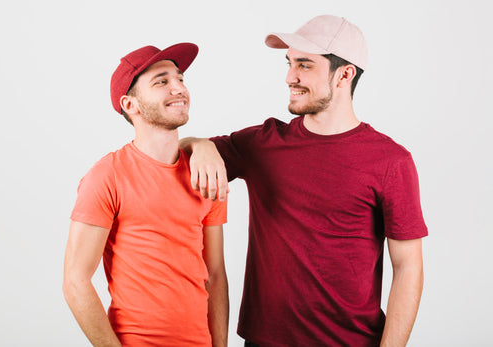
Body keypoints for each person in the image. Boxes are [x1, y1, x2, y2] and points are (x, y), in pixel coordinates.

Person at [182, 15, 428, 346]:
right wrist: (201, 144)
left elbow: (408, 267)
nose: (289, 77)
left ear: (344, 74)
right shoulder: (264, 143)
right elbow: (180, 154)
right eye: (289, 63)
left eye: (304, 65)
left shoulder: (390, 161)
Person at [63, 43, 229, 346]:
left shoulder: (206, 172)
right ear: (130, 105)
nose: (179, 88)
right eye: (162, 82)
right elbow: (75, 281)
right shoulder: (107, 175)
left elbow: (215, 274)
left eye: (180, 79)